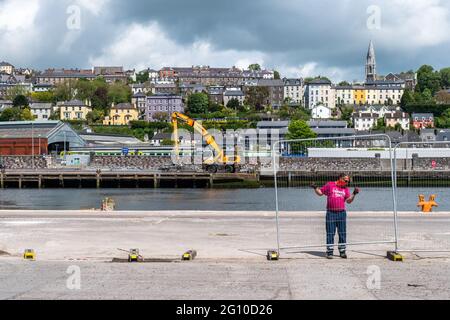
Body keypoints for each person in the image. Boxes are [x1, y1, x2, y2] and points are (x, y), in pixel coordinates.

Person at [311, 174, 360, 259]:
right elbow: (320, 193)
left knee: (342, 233)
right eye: (345, 180)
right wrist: (315, 187)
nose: (347, 182)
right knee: (330, 233)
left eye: (348, 181)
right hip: (331, 213)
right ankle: (329, 252)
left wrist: (354, 194)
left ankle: (342, 251)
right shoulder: (330, 185)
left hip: (341, 213)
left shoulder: (345, 189)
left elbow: (348, 201)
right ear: (340, 178)